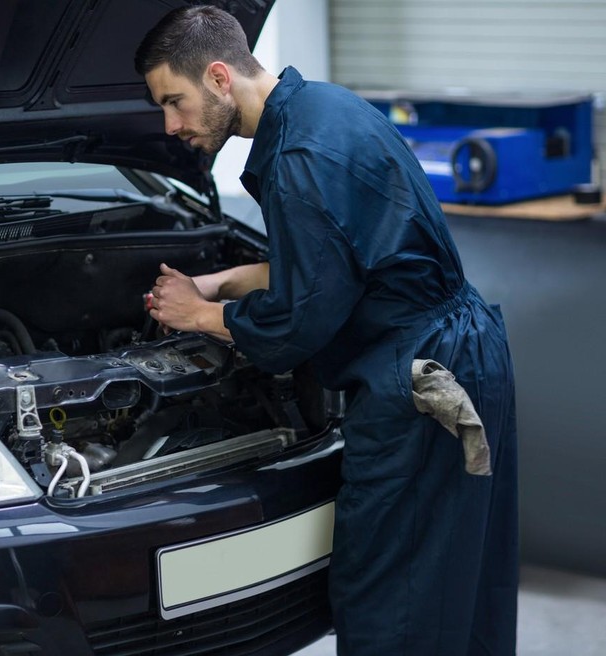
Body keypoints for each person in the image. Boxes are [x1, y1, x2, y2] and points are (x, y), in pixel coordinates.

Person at [135, 7, 518, 656]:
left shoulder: (298, 158)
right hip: (461, 358)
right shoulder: (323, 107)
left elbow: (296, 322)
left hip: (419, 382)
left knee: (391, 598)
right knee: (457, 573)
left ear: (220, 78)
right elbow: (331, 262)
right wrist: (217, 282)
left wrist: (198, 316)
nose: (171, 126)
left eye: (174, 101)